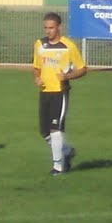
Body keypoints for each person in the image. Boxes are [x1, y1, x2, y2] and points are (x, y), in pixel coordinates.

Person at [34, 11, 88, 175]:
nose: (48, 31)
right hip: (45, 92)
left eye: (51, 27)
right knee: (44, 132)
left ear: (59, 27)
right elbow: (36, 67)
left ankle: (58, 166)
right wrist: (37, 78)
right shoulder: (40, 45)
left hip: (60, 92)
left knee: (55, 129)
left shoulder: (68, 46)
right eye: (45, 28)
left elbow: (83, 69)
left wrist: (68, 76)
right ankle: (67, 151)